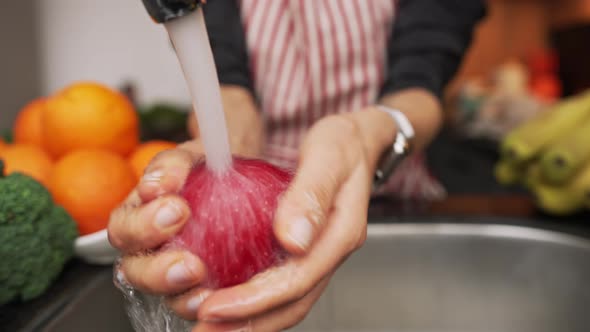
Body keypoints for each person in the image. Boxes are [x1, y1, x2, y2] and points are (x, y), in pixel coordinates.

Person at [108, 0, 487, 330]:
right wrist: (224, 149)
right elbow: (227, 84)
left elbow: (421, 76)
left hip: (392, 196)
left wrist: (367, 134)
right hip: (257, 230)